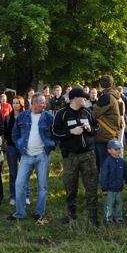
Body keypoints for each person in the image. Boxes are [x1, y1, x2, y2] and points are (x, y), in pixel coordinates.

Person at [53, 88, 100, 226]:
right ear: (75, 99)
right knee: (70, 185)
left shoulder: (87, 111)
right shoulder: (62, 114)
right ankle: (71, 213)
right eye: (83, 97)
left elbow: (97, 127)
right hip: (70, 156)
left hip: (88, 154)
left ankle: (93, 215)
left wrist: (91, 129)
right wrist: (70, 132)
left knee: (91, 184)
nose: (85, 99)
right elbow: (55, 132)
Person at [7, 93, 55, 223]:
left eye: (44, 102)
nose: (44, 105)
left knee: (42, 186)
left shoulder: (49, 117)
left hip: (42, 155)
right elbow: (14, 133)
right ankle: (20, 213)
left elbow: (55, 133)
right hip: (26, 155)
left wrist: (51, 145)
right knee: (19, 184)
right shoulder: (23, 116)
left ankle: (39, 213)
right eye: (42, 102)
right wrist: (19, 144)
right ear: (34, 103)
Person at [4, 96, 30, 206]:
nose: (15, 105)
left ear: (21, 104)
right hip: (11, 148)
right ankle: (13, 196)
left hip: (23, 148)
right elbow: (6, 133)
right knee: (13, 173)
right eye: (14, 103)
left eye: (18, 103)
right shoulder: (8, 118)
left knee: (24, 173)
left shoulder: (26, 117)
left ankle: (26, 196)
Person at [92, 75, 122, 170]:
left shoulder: (106, 97)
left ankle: (107, 184)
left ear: (100, 85)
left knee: (105, 167)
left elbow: (94, 112)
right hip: (110, 135)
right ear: (112, 84)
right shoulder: (113, 96)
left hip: (104, 137)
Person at [101, 140, 127, 225]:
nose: (118, 151)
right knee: (109, 204)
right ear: (109, 150)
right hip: (110, 189)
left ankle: (118, 218)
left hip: (119, 188)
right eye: (115, 149)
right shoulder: (107, 162)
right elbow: (104, 176)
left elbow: (126, 173)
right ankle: (108, 219)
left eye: (119, 149)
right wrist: (104, 188)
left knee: (119, 203)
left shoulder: (122, 162)